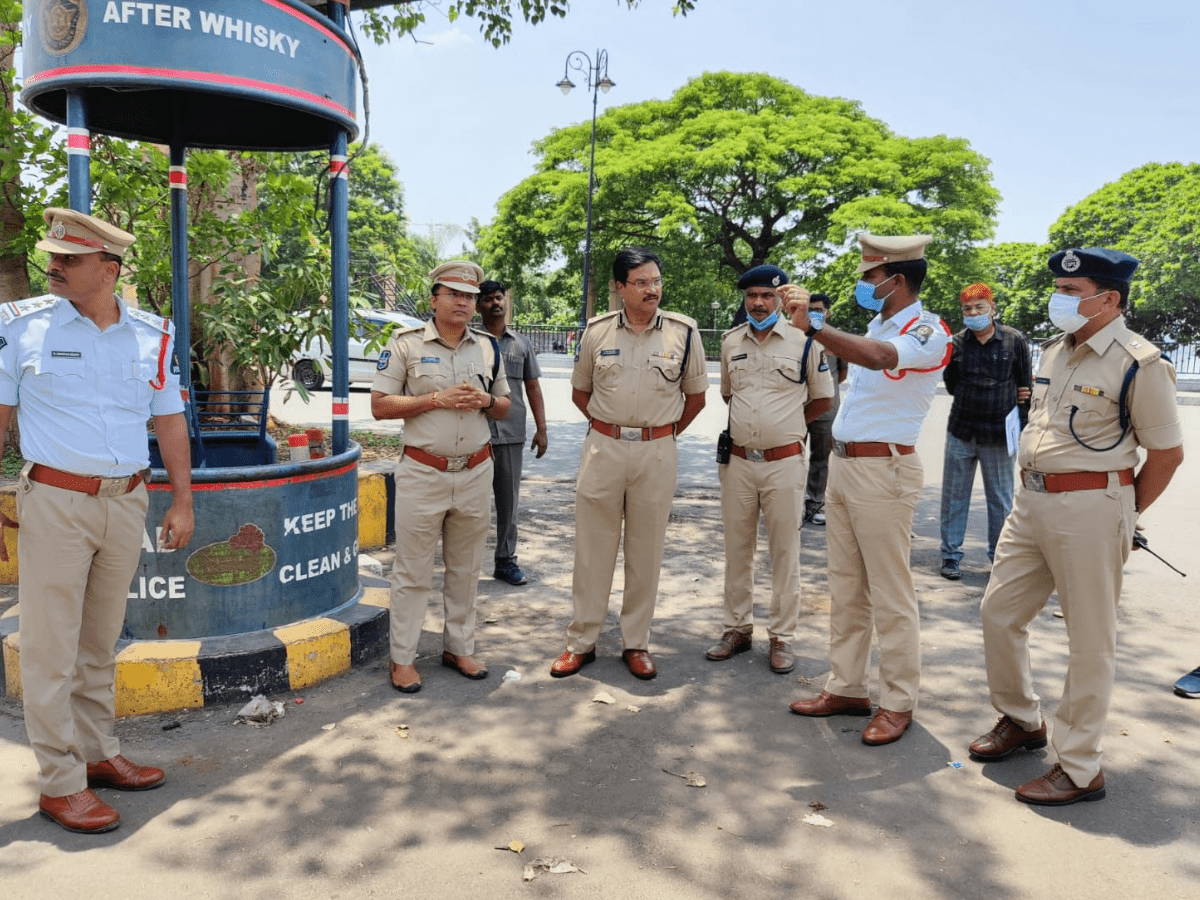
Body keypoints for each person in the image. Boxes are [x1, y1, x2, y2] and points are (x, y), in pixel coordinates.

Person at [0, 208, 195, 834]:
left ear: (108, 269)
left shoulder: (152, 333)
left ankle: (97, 753)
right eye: (53, 256)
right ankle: (60, 783)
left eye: (69, 259)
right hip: (55, 501)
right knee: (50, 647)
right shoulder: (19, 326)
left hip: (126, 501)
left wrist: (182, 501)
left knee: (99, 640)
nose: (53, 265)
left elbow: (168, 421)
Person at [968, 247, 1183, 805]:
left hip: (1092, 506)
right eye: (1059, 290)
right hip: (1031, 504)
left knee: (1089, 640)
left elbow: (1166, 454)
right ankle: (1021, 720)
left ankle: (1081, 766)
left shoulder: (1141, 362)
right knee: (999, 613)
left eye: (1072, 292)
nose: (1058, 300)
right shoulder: (1053, 353)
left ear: (1108, 299)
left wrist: (1124, 513)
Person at [783, 233, 951, 746]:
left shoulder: (926, 330)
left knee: (890, 592)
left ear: (897, 280)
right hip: (848, 467)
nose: (862, 285)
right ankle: (848, 687)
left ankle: (898, 701)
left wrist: (815, 324)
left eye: (869, 277)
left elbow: (880, 358)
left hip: (885, 471)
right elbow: (872, 347)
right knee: (846, 585)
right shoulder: (879, 322)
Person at [550, 247, 708, 681]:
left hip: (658, 451)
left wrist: (663, 434)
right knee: (592, 550)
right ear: (620, 288)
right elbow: (580, 392)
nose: (651, 289)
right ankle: (581, 641)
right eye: (640, 282)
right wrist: (612, 430)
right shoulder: (597, 332)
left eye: (656, 281)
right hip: (604, 448)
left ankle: (635, 642)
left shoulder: (684, 332)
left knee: (646, 549)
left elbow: (696, 398)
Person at [371, 261, 511, 694]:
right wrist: (435, 398)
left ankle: (459, 647)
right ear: (434, 298)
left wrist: (486, 399)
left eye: (469, 296)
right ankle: (403, 659)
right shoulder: (405, 344)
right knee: (412, 571)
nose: (463, 303)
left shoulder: (488, 347)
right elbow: (380, 405)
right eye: (453, 294)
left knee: (466, 568)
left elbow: (505, 405)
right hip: (423, 472)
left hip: (475, 471)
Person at [707, 265, 834, 674]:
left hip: (784, 464)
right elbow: (730, 395)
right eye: (751, 296)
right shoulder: (730, 342)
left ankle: (782, 637)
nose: (758, 303)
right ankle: (737, 628)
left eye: (766, 295)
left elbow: (821, 401)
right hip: (740, 463)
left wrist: (786, 430)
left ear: (781, 298)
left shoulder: (805, 341)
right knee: (736, 550)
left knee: (785, 553)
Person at [938, 283, 1032, 579]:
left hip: (998, 435)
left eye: (980, 307)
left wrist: (1022, 428)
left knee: (1001, 499)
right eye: (968, 309)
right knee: (954, 497)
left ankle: (1000, 557)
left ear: (992, 308)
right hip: (961, 430)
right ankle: (950, 555)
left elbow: (1024, 385)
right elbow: (951, 383)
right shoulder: (955, 343)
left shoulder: (1013, 340)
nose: (974, 313)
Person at [476, 281, 548, 586]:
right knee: (471, 505)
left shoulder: (521, 344)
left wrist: (542, 429)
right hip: (474, 435)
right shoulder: (468, 342)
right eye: (489, 299)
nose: (496, 303)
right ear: (478, 305)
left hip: (510, 436)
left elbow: (533, 387)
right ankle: (464, 563)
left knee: (509, 503)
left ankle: (505, 561)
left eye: (500, 297)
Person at [802, 293, 848, 526]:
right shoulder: (794, 336)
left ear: (827, 313)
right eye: (810, 309)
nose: (814, 314)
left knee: (821, 459)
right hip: (795, 409)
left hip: (826, 410)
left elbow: (841, 374)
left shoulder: (835, 339)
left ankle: (815, 505)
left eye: (818, 310)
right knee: (790, 458)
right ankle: (787, 503)